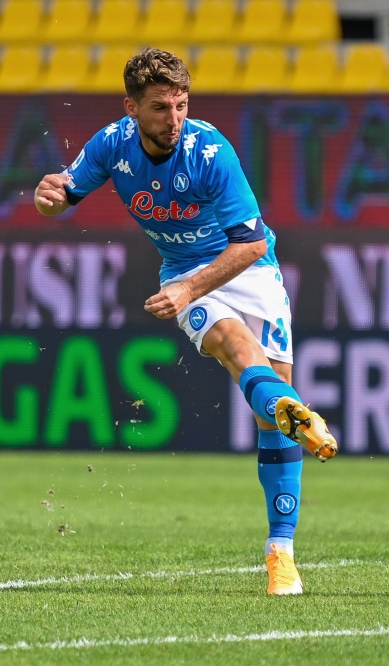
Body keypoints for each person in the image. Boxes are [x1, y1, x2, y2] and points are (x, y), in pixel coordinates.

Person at [33, 48, 338, 595]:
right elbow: (63, 193)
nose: (172, 119)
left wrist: (188, 288)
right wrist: (48, 197)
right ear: (131, 107)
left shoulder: (210, 151)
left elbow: (248, 245)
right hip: (185, 273)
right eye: (159, 108)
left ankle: (281, 545)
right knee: (231, 343)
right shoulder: (111, 145)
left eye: (179, 105)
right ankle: (284, 536)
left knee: (271, 416)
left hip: (247, 267)